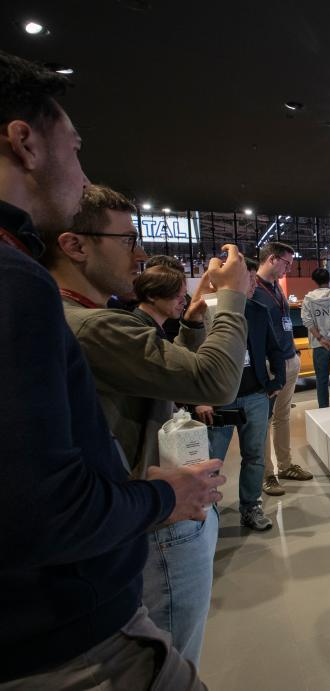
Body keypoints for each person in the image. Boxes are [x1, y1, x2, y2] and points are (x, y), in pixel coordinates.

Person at [0, 49, 221, 689]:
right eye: (74, 150)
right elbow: (41, 508)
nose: (80, 174)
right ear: (25, 143)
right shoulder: (23, 286)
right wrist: (163, 495)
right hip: (69, 634)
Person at [45, 183, 250, 669]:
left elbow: (171, 379)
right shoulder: (93, 326)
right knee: (171, 660)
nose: (139, 255)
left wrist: (194, 320)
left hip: (145, 514)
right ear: (75, 245)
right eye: (126, 240)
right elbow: (216, 380)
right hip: (157, 523)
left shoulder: (76, 317)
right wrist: (233, 297)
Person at [197, 258, 286, 531]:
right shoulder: (207, 309)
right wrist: (199, 398)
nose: (252, 285)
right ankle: (206, 516)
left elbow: (273, 347)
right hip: (218, 399)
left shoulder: (258, 310)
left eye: (253, 279)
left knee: (255, 456)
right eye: (247, 279)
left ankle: (250, 508)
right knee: (211, 461)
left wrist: (277, 381)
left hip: (256, 395)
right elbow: (191, 353)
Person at [252, 241, 313, 496]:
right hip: (268, 365)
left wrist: (293, 352)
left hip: (289, 358)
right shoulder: (253, 288)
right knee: (263, 421)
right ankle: (266, 474)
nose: (289, 269)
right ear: (272, 259)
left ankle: (285, 466)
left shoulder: (276, 287)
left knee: (282, 416)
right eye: (287, 263)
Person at [301, 267, 330, 408]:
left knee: (321, 381)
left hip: (319, 346)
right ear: (329, 279)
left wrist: (321, 339)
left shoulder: (308, 299)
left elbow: (307, 321)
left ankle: (323, 410)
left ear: (314, 281)